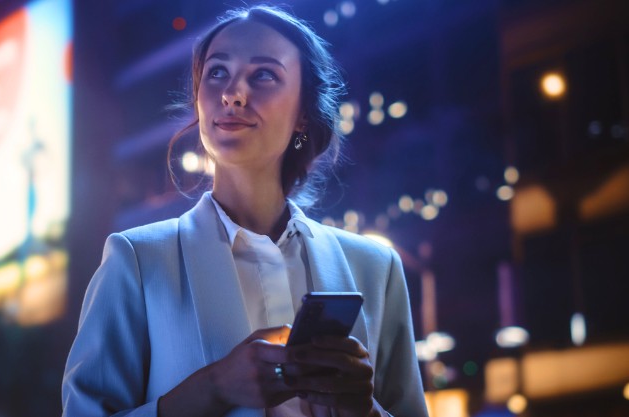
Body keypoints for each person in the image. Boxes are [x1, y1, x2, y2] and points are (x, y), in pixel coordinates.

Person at [62, 6, 428, 417]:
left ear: (303, 114)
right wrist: (214, 389)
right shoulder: (137, 261)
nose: (232, 93)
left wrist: (364, 411)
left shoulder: (376, 268)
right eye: (217, 72)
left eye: (264, 75)